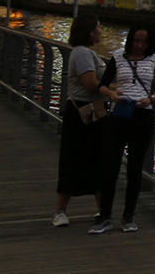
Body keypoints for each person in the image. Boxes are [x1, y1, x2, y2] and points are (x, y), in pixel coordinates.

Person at [95, 25, 155, 233]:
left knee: (135, 168)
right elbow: (102, 84)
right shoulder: (117, 58)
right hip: (121, 112)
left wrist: (152, 98)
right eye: (136, 40)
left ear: (150, 43)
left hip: (143, 114)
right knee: (110, 166)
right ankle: (105, 216)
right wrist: (112, 95)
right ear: (130, 40)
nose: (139, 45)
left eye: (144, 41)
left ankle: (128, 217)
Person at [55, 12, 124, 231]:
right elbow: (90, 84)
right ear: (90, 32)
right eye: (99, 27)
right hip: (84, 114)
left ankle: (99, 210)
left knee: (91, 160)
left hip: (90, 113)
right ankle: (60, 211)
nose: (101, 31)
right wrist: (113, 89)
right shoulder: (83, 54)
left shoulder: (84, 52)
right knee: (78, 159)